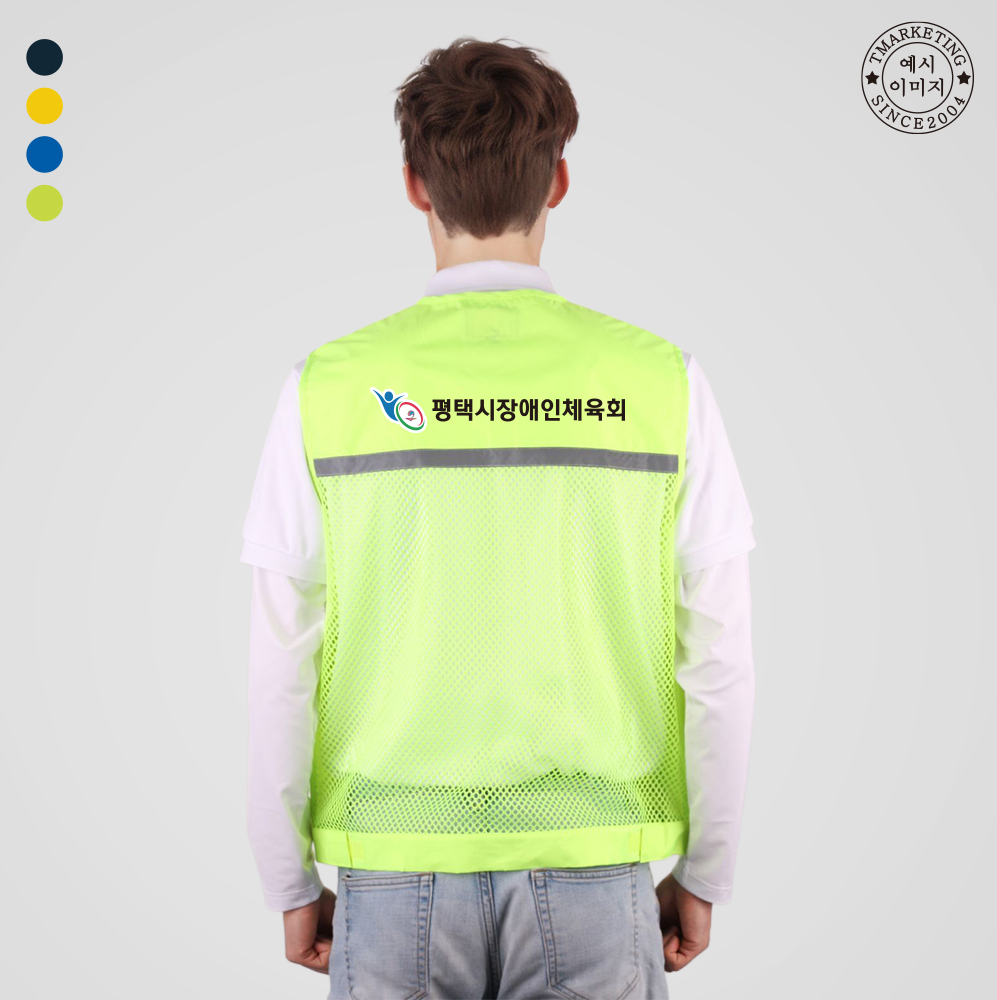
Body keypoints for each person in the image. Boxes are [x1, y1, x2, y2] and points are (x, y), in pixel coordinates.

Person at [241, 37, 756, 999]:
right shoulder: (661, 381)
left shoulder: (328, 388)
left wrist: (286, 880)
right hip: (597, 858)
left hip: (391, 864)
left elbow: (281, 662)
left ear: (413, 186)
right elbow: (719, 653)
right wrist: (708, 870)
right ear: (557, 180)